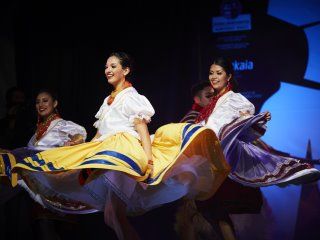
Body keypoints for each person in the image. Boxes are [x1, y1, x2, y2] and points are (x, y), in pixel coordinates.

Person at [1, 52, 230, 240]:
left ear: (126, 70)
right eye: (106, 67)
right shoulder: (107, 100)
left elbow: (141, 128)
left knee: (116, 215)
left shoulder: (131, 97)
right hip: (106, 152)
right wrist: (81, 158)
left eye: (113, 66)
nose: (108, 70)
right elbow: (99, 135)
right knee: (111, 216)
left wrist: (149, 159)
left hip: (123, 153)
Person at [0, 89, 87, 240]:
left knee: (55, 230)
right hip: (39, 185)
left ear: (55, 103)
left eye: (45, 100)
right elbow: (30, 151)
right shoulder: (36, 134)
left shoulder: (60, 125)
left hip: (54, 183)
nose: (41, 104)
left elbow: (80, 132)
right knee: (43, 229)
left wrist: (74, 142)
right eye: (37, 101)